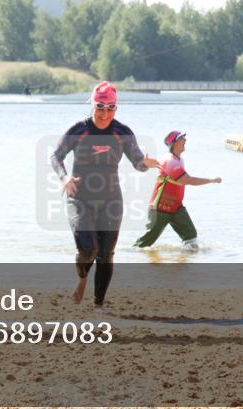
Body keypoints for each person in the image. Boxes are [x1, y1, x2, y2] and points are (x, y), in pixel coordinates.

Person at [51, 81, 161, 307]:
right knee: (88, 248)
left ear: (116, 108)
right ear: (92, 105)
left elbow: (137, 162)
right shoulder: (79, 130)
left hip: (111, 200)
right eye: (100, 107)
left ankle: (98, 305)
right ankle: (82, 279)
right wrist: (64, 178)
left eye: (110, 108)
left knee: (106, 254)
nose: (105, 113)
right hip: (79, 197)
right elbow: (56, 156)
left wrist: (146, 163)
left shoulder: (122, 133)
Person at [133, 131, 221, 250]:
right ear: (174, 143)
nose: (185, 140)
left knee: (191, 237)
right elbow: (188, 180)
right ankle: (127, 256)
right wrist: (211, 180)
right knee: (145, 244)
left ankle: (183, 264)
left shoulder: (179, 160)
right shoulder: (170, 161)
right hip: (160, 208)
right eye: (182, 138)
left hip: (176, 208)